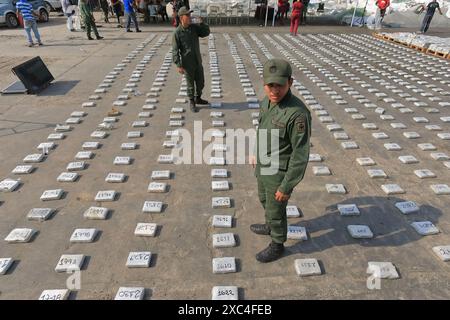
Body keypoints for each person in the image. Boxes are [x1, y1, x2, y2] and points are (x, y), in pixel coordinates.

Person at [249, 59, 311, 263]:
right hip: (263, 165)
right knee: (264, 200)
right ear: (264, 83)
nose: (274, 91)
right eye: (270, 85)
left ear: (290, 83)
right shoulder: (266, 102)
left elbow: (300, 155)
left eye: (280, 85)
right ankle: (269, 225)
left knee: (276, 209)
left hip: (279, 172)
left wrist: (286, 186)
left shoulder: (297, 114)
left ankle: (277, 243)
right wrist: (255, 153)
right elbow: (263, 130)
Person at [172, 6, 210, 113]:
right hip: (187, 63)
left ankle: (198, 98)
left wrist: (202, 23)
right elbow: (175, 51)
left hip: (197, 60)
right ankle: (192, 101)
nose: (189, 17)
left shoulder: (194, 28)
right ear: (181, 18)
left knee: (201, 82)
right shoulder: (177, 33)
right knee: (190, 85)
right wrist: (178, 64)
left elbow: (206, 33)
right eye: (187, 15)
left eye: (190, 15)